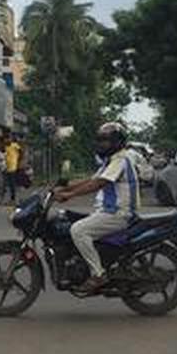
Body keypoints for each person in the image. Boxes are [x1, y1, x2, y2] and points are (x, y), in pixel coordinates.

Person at [51, 122, 139, 293]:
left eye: (106, 141)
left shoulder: (121, 159)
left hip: (119, 214)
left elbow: (99, 183)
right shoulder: (111, 160)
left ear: (117, 142)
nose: (102, 145)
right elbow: (91, 180)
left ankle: (98, 274)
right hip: (108, 212)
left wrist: (70, 195)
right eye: (100, 141)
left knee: (78, 230)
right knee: (68, 218)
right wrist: (65, 186)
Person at [3, 137, 23, 202]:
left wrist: (19, 160)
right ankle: (11, 198)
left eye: (8, 139)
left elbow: (21, 151)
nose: (6, 140)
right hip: (7, 167)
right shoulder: (6, 147)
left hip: (13, 166)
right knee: (9, 184)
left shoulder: (14, 145)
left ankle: (13, 198)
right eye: (5, 139)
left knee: (12, 183)